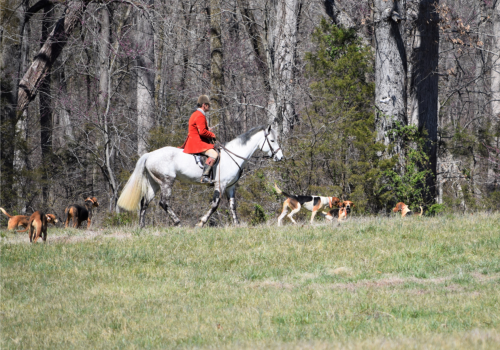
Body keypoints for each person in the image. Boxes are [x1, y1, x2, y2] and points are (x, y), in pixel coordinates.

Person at [181, 95, 219, 183]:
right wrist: (212, 134)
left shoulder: (195, 114)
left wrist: (207, 129)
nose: (209, 107)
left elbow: (199, 129)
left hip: (193, 140)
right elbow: (202, 132)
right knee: (214, 154)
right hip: (197, 142)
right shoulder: (200, 115)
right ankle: (205, 176)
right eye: (208, 105)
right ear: (204, 105)